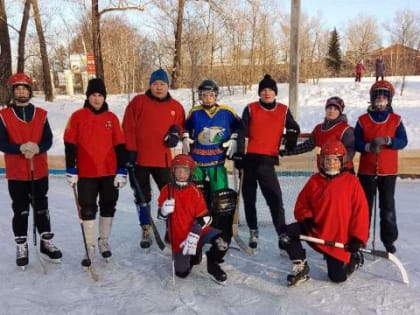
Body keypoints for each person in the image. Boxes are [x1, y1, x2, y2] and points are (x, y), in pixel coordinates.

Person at [278, 141, 369, 286]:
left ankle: (355, 258)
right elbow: (302, 203)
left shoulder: (351, 182)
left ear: (342, 161)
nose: (331, 163)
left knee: (337, 277)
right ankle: (301, 266)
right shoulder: (315, 180)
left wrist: (358, 238)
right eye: (327, 160)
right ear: (322, 161)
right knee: (286, 234)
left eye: (335, 160)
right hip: (315, 231)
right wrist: (306, 217)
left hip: (339, 239)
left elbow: (361, 212)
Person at [0, 73, 62, 268]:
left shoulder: (41, 114)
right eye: (17, 88)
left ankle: (46, 242)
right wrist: (19, 148)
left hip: (38, 169)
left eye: (24, 88)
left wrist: (38, 148)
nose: (21, 91)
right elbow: (1, 142)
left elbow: (48, 140)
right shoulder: (4, 116)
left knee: (41, 207)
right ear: (13, 92)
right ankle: (22, 244)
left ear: (29, 91)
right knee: (20, 210)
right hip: (17, 172)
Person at [64, 78, 127, 266]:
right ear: (88, 97)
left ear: (104, 97)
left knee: (108, 205)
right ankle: (90, 246)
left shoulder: (112, 118)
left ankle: (103, 241)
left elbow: (120, 145)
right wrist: (71, 167)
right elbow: (69, 144)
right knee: (88, 208)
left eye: (100, 95)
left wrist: (121, 170)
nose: (97, 99)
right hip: (86, 173)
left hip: (109, 172)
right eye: (93, 95)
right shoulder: (77, 117)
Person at [234, 74, 300, 250]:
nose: (267, 93)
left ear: (275, 92)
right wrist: (239, 154)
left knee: (275, 199)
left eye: (270, 90)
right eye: (263, 90)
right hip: (250, 161)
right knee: (249, 199)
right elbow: (241, 133)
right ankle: (253, 231)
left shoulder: (283, 110)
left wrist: (292, 137)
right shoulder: (250, 108)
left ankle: (282, 233)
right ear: (259, 93)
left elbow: (293, 127)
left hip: (267, 162)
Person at [122, 68, 185, 249]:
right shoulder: (138, 102)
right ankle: (146, 227)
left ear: (167, 86)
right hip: (140, 159)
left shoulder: (175, 106)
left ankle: (170, 226)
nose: (159, 88)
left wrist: (176, 133)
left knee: (169, 195)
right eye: (155, 84)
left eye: (162, 84)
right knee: (142, 196)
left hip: (163, 160)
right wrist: (131, 152)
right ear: (150, 85)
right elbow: (128, 127)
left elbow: (180, 125)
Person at [182, 79, 241, 248]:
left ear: (216, 95)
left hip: (217, 163)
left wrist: (235, 138)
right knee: (197, 198)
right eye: (204, 94)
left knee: (221, 199)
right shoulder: (194, 112)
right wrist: (185, 136)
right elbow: (185, 127)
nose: (207, 98)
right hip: (197, 163)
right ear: (200, 96)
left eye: (210, 94)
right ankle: (197, 230)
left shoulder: (227, 112)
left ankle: (220, 232)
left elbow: (241, 126)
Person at [157, 154, 229, 283]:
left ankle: (212, 264)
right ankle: (193, 255)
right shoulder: (165, 190)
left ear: (190, 172)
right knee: (181, 272)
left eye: (185, 170)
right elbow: (160, 216)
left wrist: (194, 235)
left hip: (198, 231)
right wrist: (163, 211)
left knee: (222, 241)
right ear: (173, 171)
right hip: (179, 235)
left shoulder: (195, 191)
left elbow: (205, 217)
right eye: (178, 170)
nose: (181, 174)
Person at [354, 80, 408, 254]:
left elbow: (403, 141)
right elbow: (356, 142)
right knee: (365, 206)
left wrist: (388, 140)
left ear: (389, 100)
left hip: (388, 171)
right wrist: (368, 147)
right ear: (372, 99)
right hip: (366, 171)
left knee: (387, 207)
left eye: (384, 98)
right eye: (377, 98)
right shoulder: (362, 120)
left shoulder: (396, 120)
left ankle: (388, 239)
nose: (380, 101)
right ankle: (361, 238)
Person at [280, 96, 355, 173]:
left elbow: (351, 150)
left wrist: (339, 163)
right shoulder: (318, 128)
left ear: (340, 112)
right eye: (329, 108)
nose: (331, 111)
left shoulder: (346, 130)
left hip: (343, 171)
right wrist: (285, 152)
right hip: (325, 170)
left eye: (335, 109)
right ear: (326, 109)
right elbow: (307, 146)